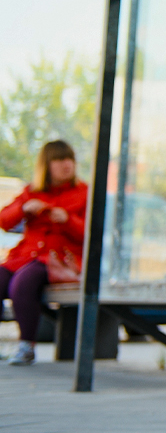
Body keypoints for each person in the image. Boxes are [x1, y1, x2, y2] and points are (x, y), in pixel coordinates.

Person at [1, 140, 88, 366]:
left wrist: (68, 220)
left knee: (23, 283)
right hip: (24, 257)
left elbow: (91, 234)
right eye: (59, 160)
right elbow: (4, 220)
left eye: (69, 159)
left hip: (59, 260)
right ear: (46, 165)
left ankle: (26, 346)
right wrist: (23, 209)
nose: (66, 164)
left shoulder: (84, 193)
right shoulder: (32, 192)